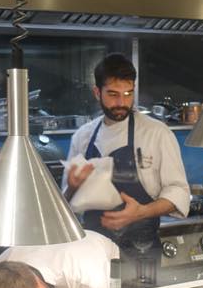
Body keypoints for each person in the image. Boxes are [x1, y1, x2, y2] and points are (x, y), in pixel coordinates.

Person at [65, 53, 189, 250]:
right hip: (93, 251)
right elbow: (64, 203)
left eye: (128, 94)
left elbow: (179, 192)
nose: (122, 103)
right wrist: (72, 187)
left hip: (142, 251)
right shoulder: (82, 137)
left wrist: (142, 212)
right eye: (113, 94)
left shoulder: (157, 133)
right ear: (97, 92)